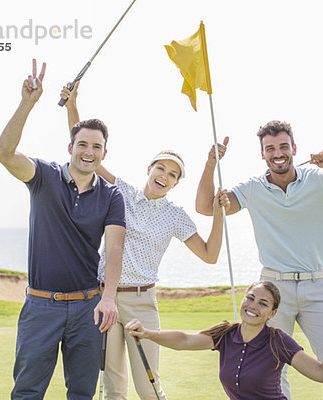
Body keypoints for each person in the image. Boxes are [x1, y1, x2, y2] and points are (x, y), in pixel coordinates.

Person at [60, 82, 230, 400]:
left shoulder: (175, 216)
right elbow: (88, 154)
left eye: (173, 174)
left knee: (148, 386)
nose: (164, 176)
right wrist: (72, 106)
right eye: (161, 168)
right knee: (113, 386)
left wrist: (219, 214)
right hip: (106, 299)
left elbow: (209, 254)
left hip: (143, 303)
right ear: (149, 169)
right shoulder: (121, 191)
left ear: (176, 183)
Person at [195, 120, 323, 399]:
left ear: (294, 148)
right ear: (262, 154)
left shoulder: (318, 180)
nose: (277, 153)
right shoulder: (252, 188)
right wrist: (211, 163)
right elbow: (205, 208)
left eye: (283, 146)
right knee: (273, 370)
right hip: (272, 290)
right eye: (270, 148)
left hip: (316, 287)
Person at [0, 60, 126, 400]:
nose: (89, 152)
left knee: (82, 393)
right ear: (71, 148)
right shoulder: (43, 176)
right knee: (27, 392)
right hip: (41, 306)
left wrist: (108, 297)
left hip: (87, 308)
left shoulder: (112, 196)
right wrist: (27, 103)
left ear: (104, 153)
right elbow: (4, 153)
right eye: (83, 144)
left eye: (97, 147)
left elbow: (114, 250)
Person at [126, 281, 323, 399]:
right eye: (250, 298)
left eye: (263, 304)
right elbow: (185, 340)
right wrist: (147, 333)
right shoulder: (226, 334)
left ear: (272, 314)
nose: (253, 306)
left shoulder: (278, 342)